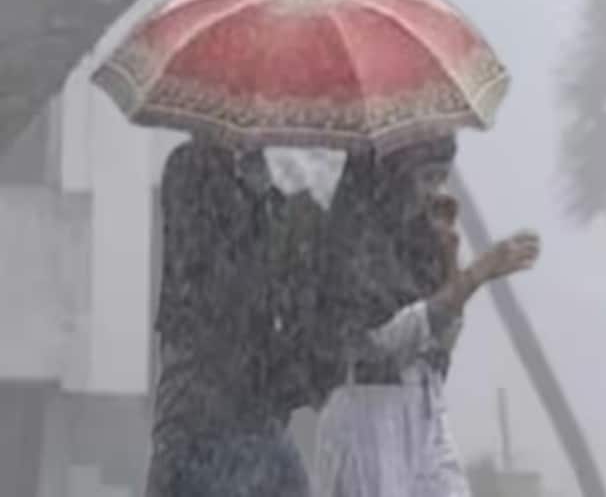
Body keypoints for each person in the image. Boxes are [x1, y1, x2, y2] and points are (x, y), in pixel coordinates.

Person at [313, 135, 541, 497]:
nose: (435, 192)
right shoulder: (351, 245)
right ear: (394, 176)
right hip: (369, 417)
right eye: (426, 178)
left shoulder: (419, 242)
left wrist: (449, 255)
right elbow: (382, 345)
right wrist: (475, 275)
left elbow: (440, 344)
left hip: (424, 407)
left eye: (441, 177)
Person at [145, 137, 330, 497]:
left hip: (255, 413)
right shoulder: (193, 168)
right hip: (199, 412)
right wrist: (258, 201)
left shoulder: (271, 195)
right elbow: (215, 285)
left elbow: (288, 309)